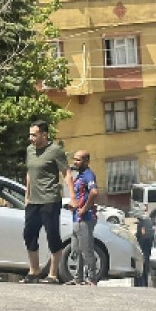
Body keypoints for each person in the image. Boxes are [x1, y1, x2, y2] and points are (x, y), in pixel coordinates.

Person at [20, 120, 74, 284]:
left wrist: (73, 197)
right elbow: (30, 173)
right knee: (29, 234)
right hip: (33, 201)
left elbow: (66, 173)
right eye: (30, 135)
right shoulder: (30, 150)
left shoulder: (55, 150)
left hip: (50, 199)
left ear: (44, 135)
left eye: (34, 135)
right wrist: (27, 195)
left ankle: (52, 274)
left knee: (52, 235)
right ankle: (34, 271)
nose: (31, 138)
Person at [67, 150, 101, 286]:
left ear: (86, 161)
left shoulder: (88, 175)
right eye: (74, 159)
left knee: (86, 248)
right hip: (76, 218)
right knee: (76, 249)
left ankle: (92, 277)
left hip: (85, 218)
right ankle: (78, 277)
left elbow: (94, 192)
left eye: (78, 160)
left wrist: (84, 209)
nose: (75, 162)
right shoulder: (79, 176)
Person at [134, 211, 155, 287]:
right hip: (149, 242)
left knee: (142, 261)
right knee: (146, 260)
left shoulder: (141, 224)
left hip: (143, 243)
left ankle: (141, 282)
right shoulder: (149, 221)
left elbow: (139, 236)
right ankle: (144, 281)